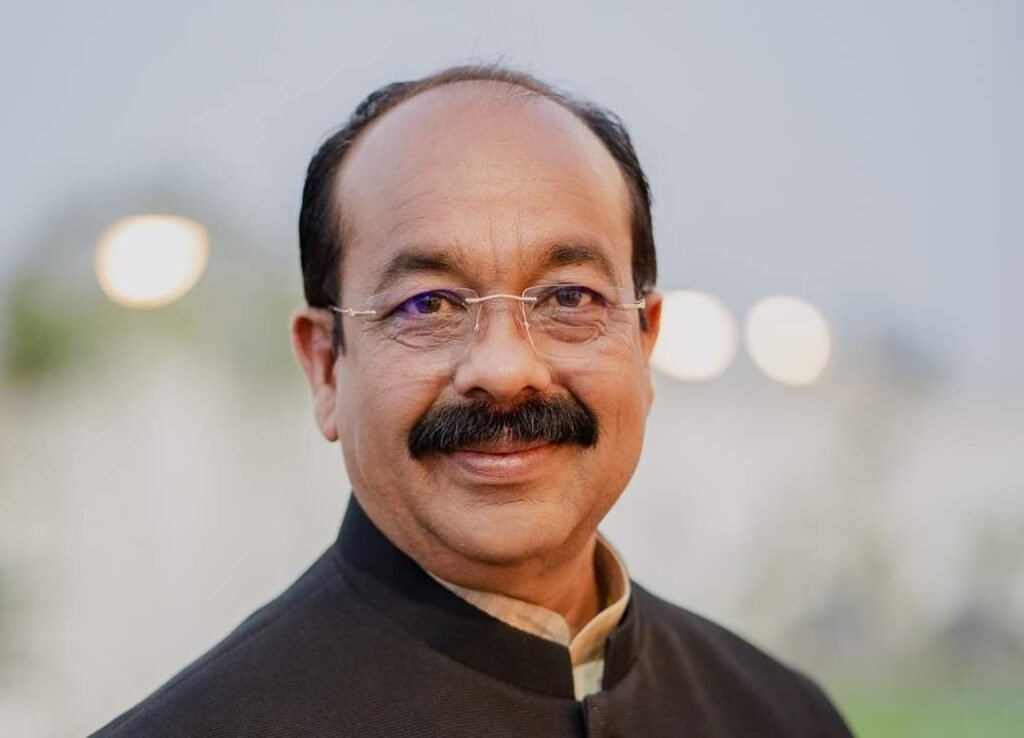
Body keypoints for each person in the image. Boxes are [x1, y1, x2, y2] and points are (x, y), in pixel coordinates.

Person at [91, 65, 853, 737]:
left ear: (645, 346)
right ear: (326, 367)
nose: (505, 369)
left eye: (569, 297)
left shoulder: (780, 717)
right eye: (427, 305)